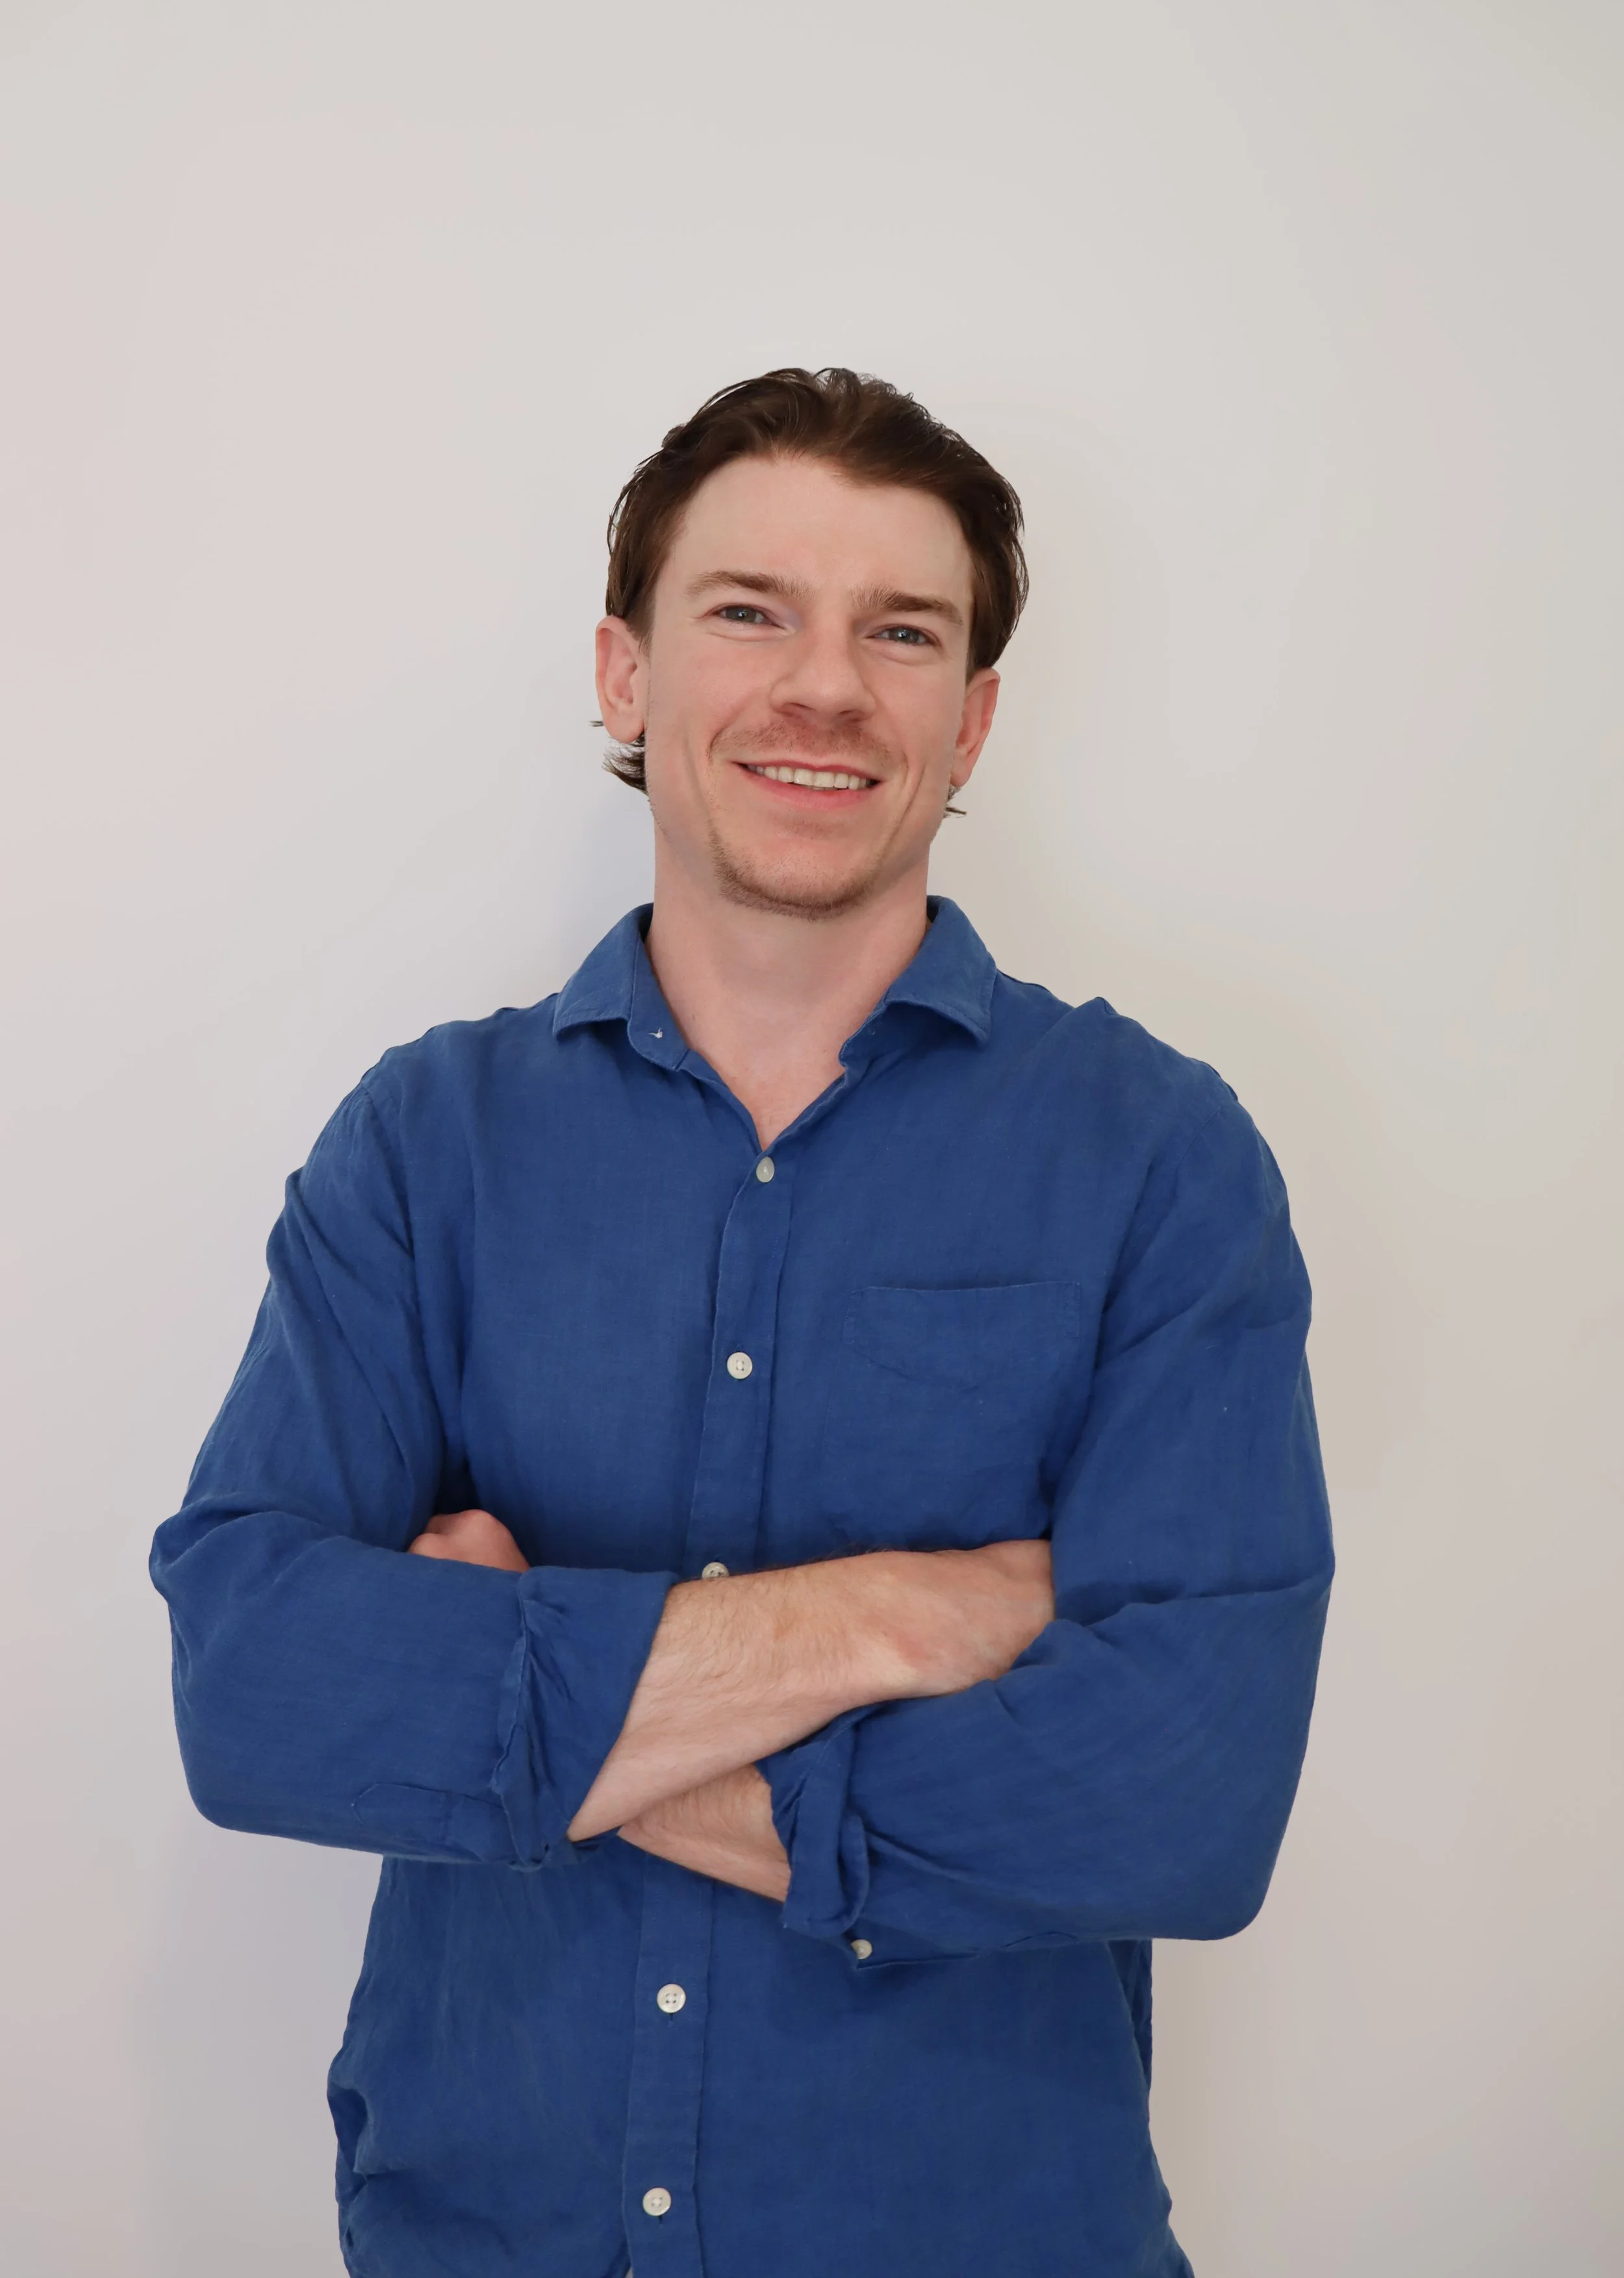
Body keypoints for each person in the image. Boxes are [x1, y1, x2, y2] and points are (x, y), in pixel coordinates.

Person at [150, 366, 1334, 2278]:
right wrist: (895, 1618)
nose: (826, 687)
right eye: (748, 611)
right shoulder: (424, 1146)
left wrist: (513, 1704)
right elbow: (257, 1688)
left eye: (901, 629)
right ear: (625, 674)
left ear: (972, 718)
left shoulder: (1155, 1159)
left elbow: (1181, 1796)